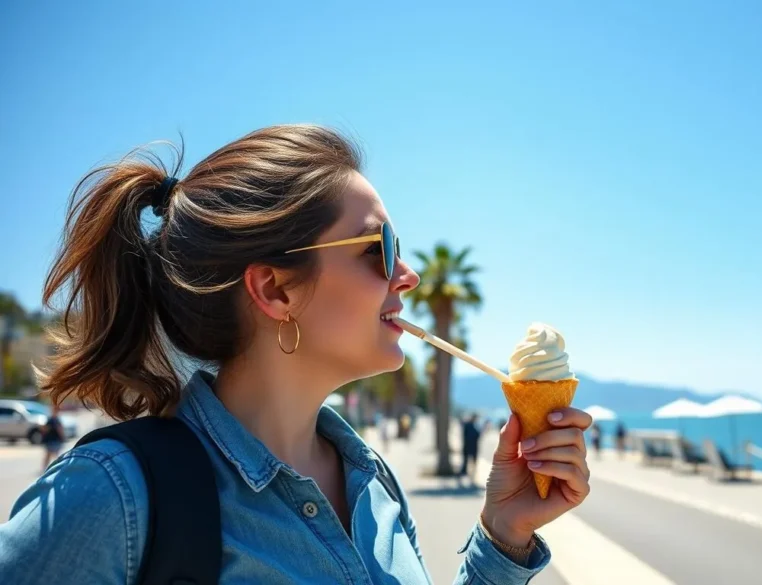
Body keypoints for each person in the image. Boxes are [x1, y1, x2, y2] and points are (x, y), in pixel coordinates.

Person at [0, 125, 593, 584]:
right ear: (275, 290)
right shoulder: (114, 496)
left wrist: (503, 533)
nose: (407, 276)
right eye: (380, 248)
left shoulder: (372, 484)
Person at [39, 402, 66, 472]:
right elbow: (59, 429)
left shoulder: (50, 419)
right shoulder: (55, 419)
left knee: (49, 455)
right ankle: (57, 469)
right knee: (55, 456)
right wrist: (63, 437)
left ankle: (44, 468)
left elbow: (44, 429)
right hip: (54, 440)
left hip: (50, 440)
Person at [460, 413, 482, 481]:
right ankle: (468, 472)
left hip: (468, 445)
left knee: (467, 460)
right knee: (469, 460)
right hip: (471, 446)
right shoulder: (471, 425)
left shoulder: (469, 425)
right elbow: (476, 435)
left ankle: (468, 472)